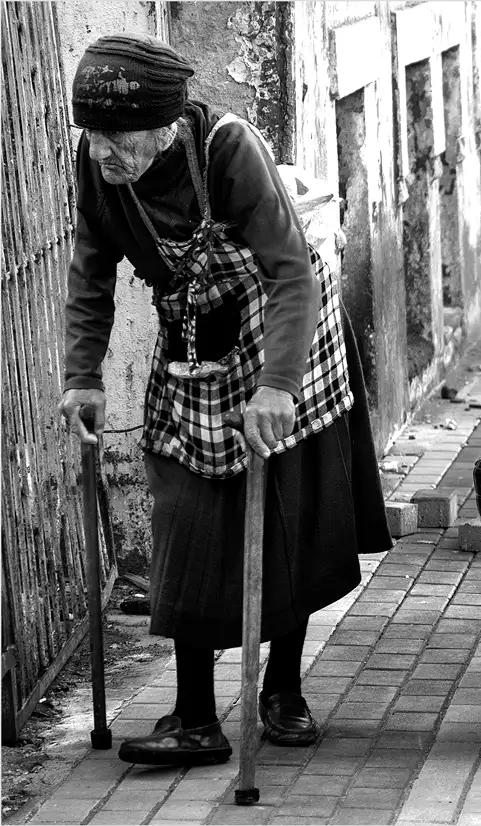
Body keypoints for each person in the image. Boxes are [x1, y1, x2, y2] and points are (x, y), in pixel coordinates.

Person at [59, 33, 392, 765]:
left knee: (286, 505)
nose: (104, 152)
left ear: (164, 126)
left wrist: (278, 388)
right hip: (194, 331)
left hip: (282, 322)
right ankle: (196, 717)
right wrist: (83, 376)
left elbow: (290, 271)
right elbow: (91, 264)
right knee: (186, 511)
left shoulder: (226, 149)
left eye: (118, 138)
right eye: (94, 136)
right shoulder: (98, 165)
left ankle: (283, 690)